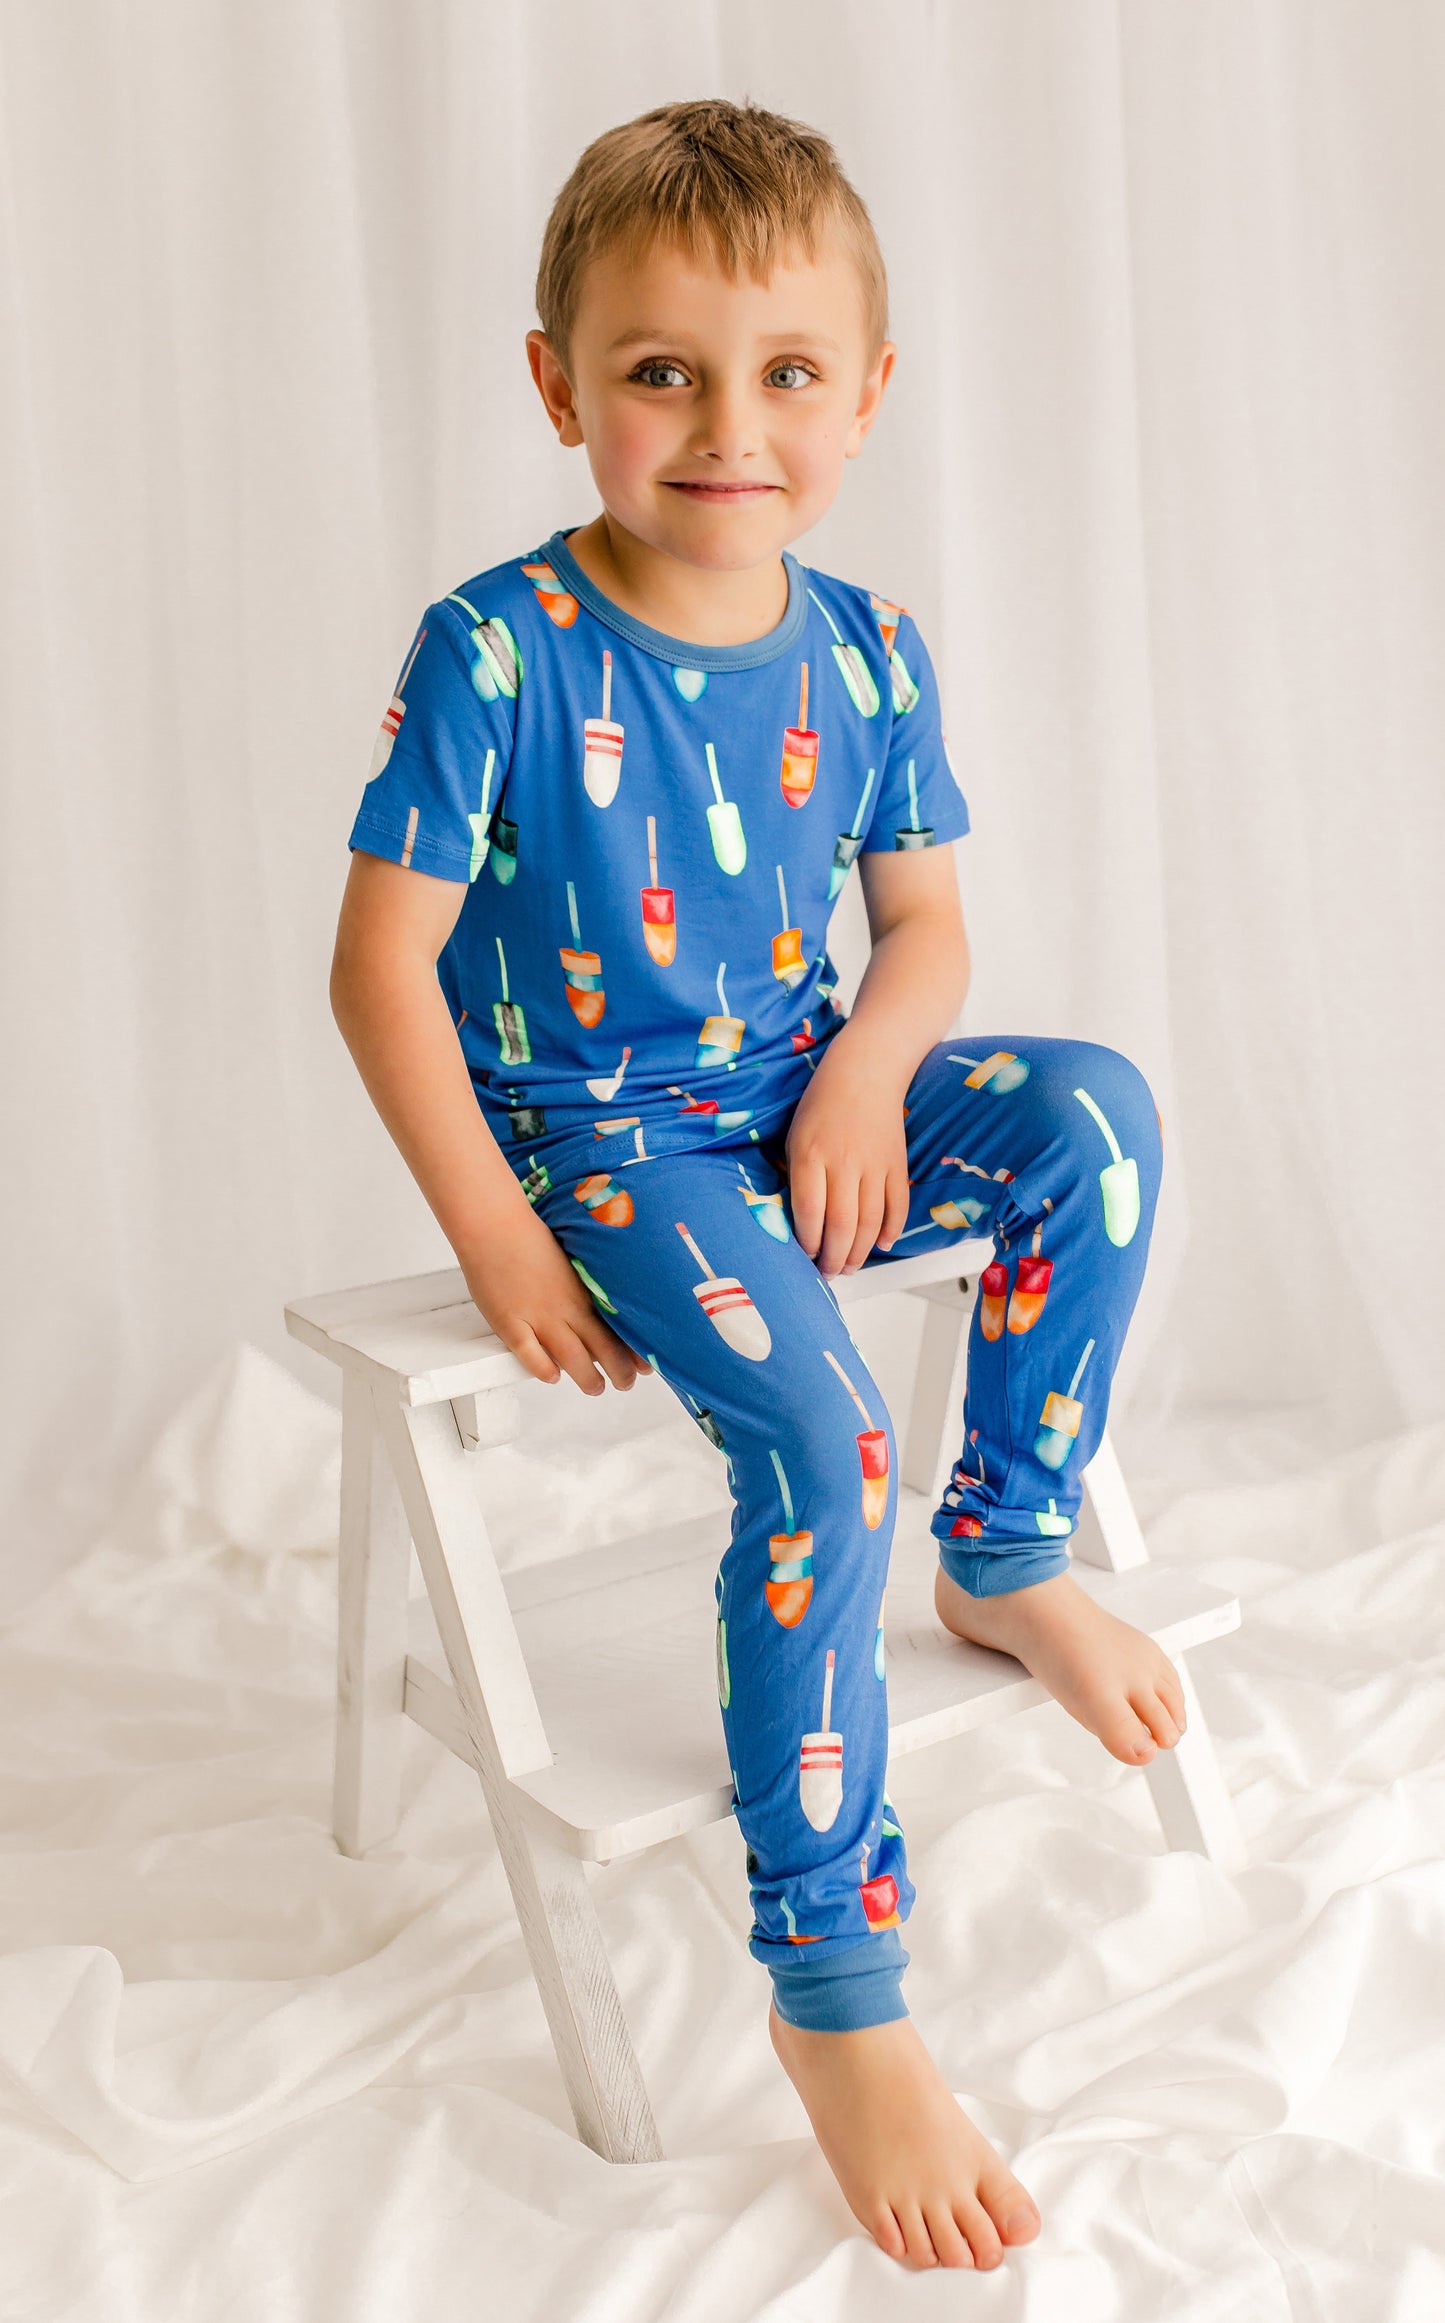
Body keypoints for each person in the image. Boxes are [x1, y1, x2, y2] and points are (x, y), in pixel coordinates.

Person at [329, 96, 1181, 2274]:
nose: (730, 427)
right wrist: (501, 1231)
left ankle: (1005, 1552)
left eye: (788, 372)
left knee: (1092, 1115)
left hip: (808, 1097)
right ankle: (840, 1994)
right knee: (820, 1431)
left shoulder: (869, 647)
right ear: (560, 385)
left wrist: (866, 1081)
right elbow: (380, 969)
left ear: (867, 395)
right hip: (610, 1141)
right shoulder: (499, 650)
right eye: (661, 373)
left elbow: (926, 932)